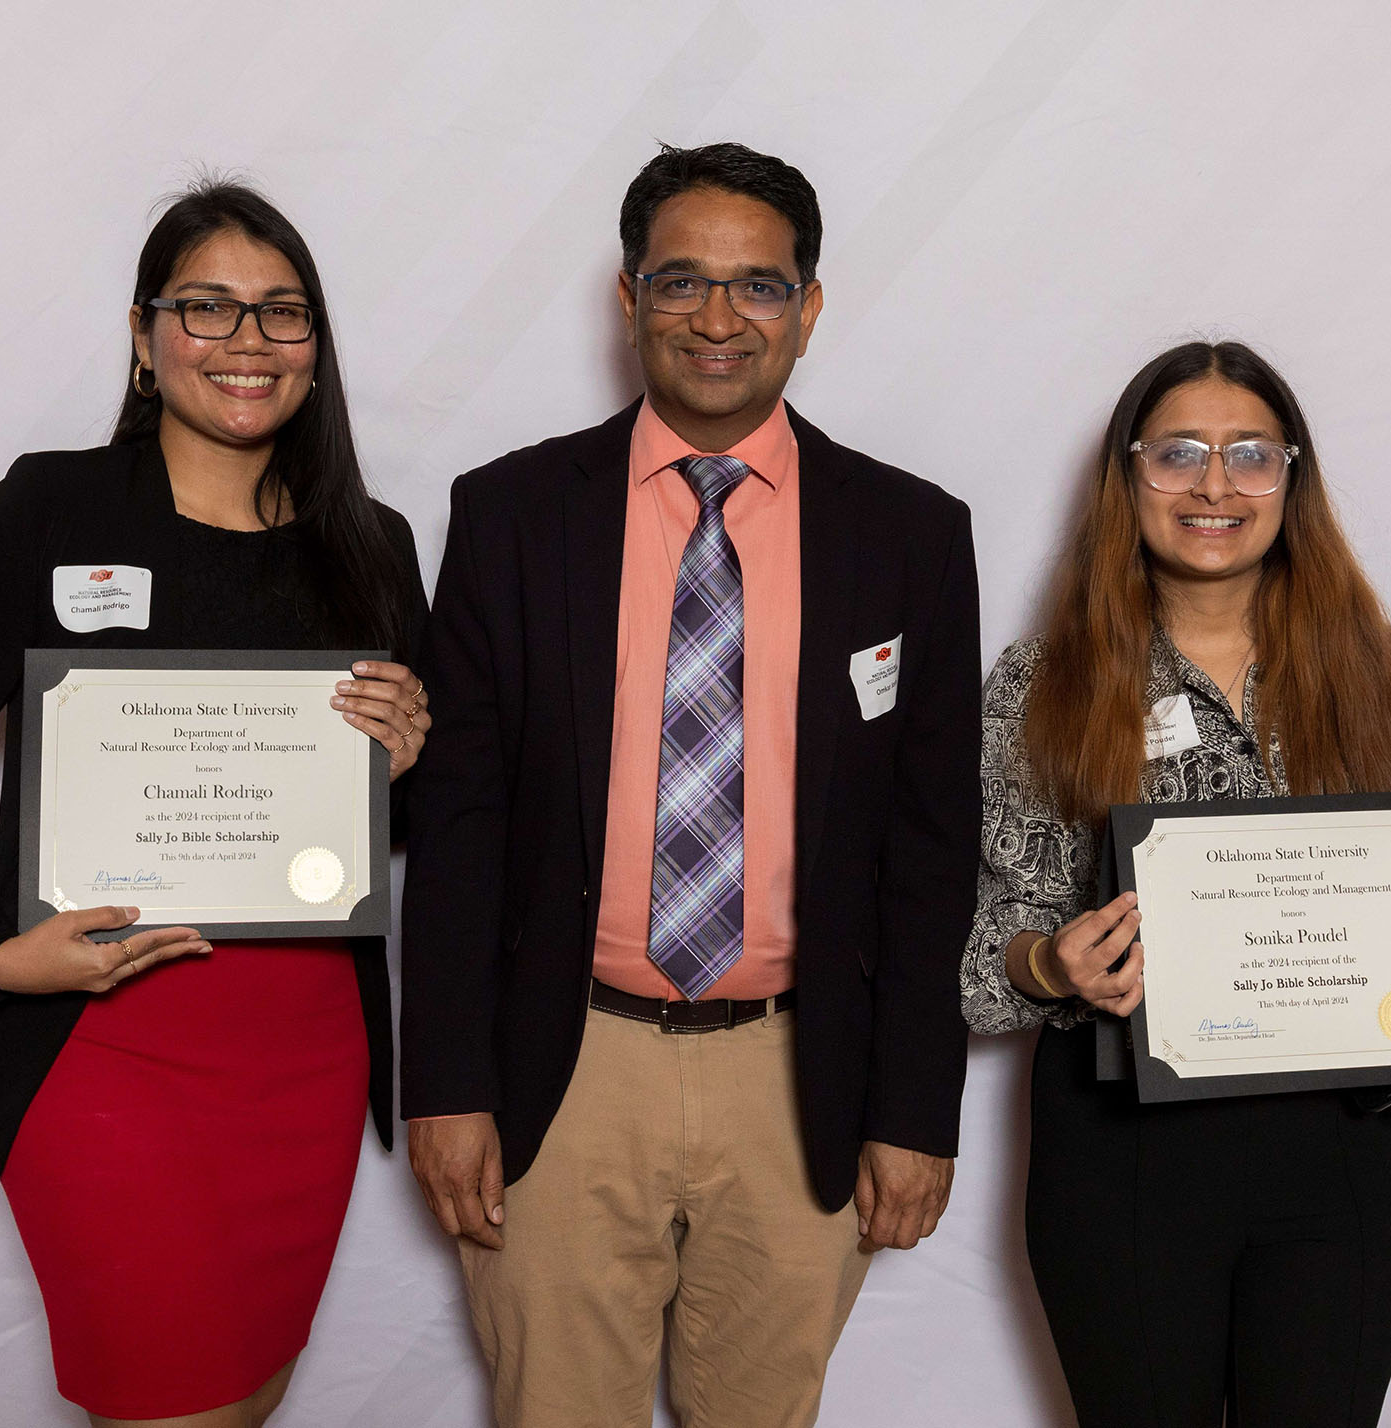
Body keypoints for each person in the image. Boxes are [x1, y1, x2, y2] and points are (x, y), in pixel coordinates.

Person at [399, 141, 980, 1428]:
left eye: (759, 287)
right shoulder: (508, 512)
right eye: (681, 282)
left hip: (798, 1074)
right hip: (563, 1068)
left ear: (808, 308)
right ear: (627, 298)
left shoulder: (911, 535)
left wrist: (912, 1107)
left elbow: (932, 849)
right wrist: (443, 1082)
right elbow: (457, 822)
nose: (718, 320)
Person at [0, 181, 430, 1428]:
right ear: (140, 335)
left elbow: (401, 834)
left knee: (249, 1396)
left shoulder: (372, 546)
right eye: (206, 308)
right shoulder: (48, 510)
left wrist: (403, 762)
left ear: (317, 350)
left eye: (281, 313)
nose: (245, 342)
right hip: (103, 1054)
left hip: (307, 1058)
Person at [960, 340, 1391, 1427]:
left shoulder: (1373, 675)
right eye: (1179, 453)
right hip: (1121, 1164)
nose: (1215, 485)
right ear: (1127, 478)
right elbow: (985, 966)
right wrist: (1051, 961)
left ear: (1289, 478)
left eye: (1250, 454)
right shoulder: (1044, 682)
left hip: (1330, 1164)